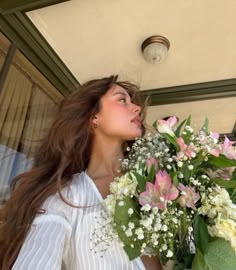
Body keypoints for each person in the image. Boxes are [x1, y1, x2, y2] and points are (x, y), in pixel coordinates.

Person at [0, 75, 162, 270]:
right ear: (94, 117)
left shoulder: (159, 181)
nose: (137, 108)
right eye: (122, 99)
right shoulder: (65, 198)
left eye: (132, 101)